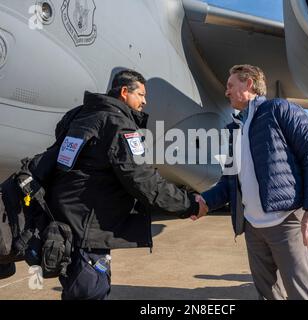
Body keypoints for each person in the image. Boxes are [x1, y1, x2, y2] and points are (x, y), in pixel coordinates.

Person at [44, 69, 201, 300]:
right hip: (89, 230)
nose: (145, 101)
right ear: (125, 92)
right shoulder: (119, 124)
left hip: (64, 225)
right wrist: (189, 205)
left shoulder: (79, 116)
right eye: (141, 94)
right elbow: (141, 179)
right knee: (91, 291)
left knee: (75, 289)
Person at [194, 64, 308, 300]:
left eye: (230, 85)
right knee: (267, 294)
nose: (226, 92)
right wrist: (203, 201)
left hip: (286, 221)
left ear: (249, 84)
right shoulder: (235, 129)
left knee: (302, 293)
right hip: (253, 228)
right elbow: (229, 183)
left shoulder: (280, 109)